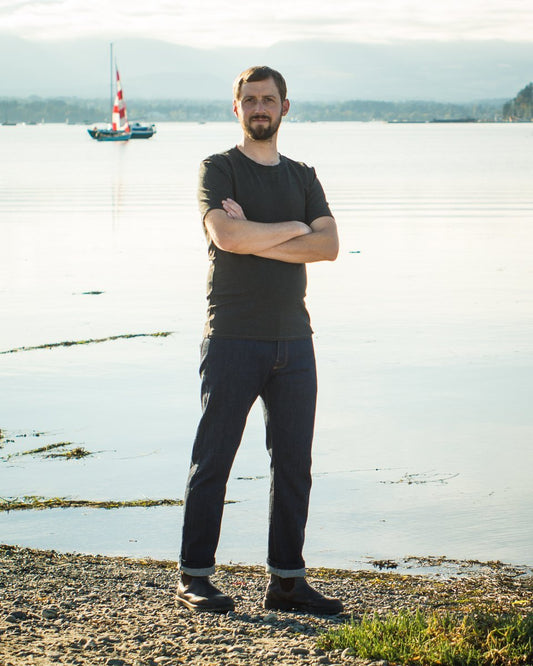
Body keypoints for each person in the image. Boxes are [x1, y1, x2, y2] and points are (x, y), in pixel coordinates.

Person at [177, 65, 342, 615]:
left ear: (284, 107)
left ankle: (287, 582)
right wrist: (296, 229)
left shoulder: (303, 176)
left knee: (294, 464)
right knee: (214, 459)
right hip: (232, 337)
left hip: (294, 340)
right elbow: (225, 235)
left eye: (268, 99)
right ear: (237, 108)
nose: (259, 108)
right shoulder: (218, 169)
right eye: (249, 100)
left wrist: (258, 237)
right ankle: (195, 575)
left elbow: (329, 247)